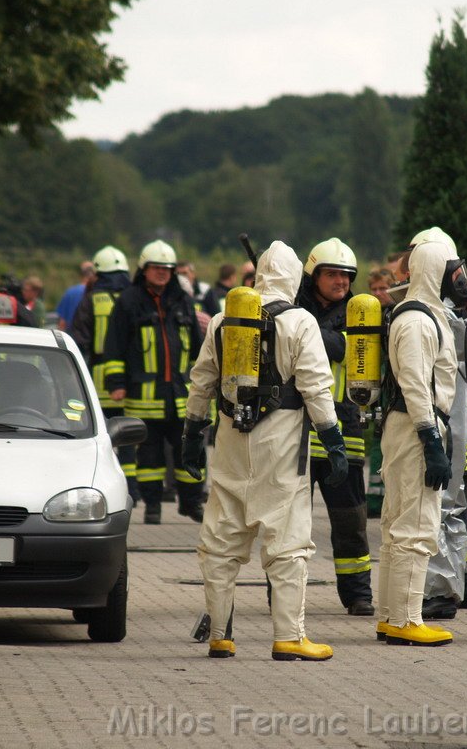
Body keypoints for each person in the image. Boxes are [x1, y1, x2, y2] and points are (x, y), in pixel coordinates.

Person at [181, 240, 346, 661]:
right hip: (283, 448)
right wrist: (333, 441)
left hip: (232, 442)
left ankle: (220, 635)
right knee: (287, 542)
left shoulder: (223, 320)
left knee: (220, 538)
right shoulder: (301, 321)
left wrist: (190, 436)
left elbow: (201, 382)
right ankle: (289, 636)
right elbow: (316, 387)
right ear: (293, 278)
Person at [377, 239, 467, 646]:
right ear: (436, 271)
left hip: (411, 426)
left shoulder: (423, 315)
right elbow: (415, 385)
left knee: (399, 524)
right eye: (454, 272)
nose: (461, 280)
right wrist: (431, 440)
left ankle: (391, 616)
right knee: (415, 525)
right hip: (416, 427)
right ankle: (408, 620)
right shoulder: (416, 321)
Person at [400, 228, 467, 621]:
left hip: (441, 420)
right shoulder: (452, 314)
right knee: (452, 502)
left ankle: (442, 590)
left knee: (439, 504)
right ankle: (460, 580)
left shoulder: (434, 315)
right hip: (454, 419)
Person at [296, 237, 374, 616]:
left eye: (346, 275)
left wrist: (299, 327)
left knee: (351, 519)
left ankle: (358, 594)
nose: (341, 281)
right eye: (332, 274)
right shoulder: (294, 308)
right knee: (291, 521)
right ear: (314, 276)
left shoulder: (360, 315)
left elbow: (347, 349)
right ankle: (283, 591)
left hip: (345, 428)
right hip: (295, 430)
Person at [102, 239, 203, 524]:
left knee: (189, 452)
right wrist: (116, 383)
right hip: (144, 397)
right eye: (156, 268)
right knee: (149, 459)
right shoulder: (129, 302)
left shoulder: (183, 301)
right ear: (143, 270)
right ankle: (153, 507)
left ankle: (192, 502)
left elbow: (198, 348)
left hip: (181, 397)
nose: (161, 273)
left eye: (166, 268)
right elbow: (114, 347)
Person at [71, 245, 137, 505]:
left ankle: (103, 485)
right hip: (130, 376)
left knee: (103, 436)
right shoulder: (134, 298)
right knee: (130, 434)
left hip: (98, 377)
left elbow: (79, 339)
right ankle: (133, 489)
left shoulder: (91, 299)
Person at [365, 267, 396, 520]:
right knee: (377, 439)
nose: (378, 293)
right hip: (377, 387)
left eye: (382, 288)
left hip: (392, 387)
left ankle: (387, 495)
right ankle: (374, 498)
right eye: (373, 289)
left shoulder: (397, 314)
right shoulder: (368, 315)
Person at [56, 260, 95, 331]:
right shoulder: (95, 293)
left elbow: (62, 323)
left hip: (71, 338)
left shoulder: (70, 292)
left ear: (80, 275)